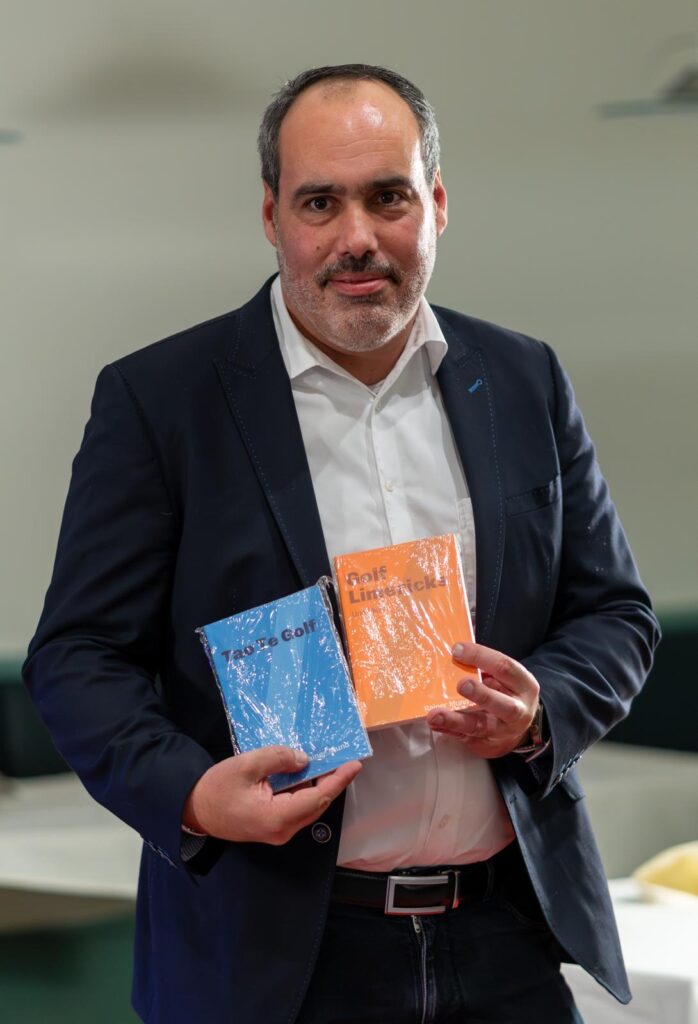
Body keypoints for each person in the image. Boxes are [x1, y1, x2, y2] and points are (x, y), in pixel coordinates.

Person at [24, 64, 659, 1023]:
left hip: (509, 943)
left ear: (436, 205)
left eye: (387, 197)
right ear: (271, 215)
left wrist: (540, 712)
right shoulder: (162, 401)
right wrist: (194, 795)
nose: (356, 237)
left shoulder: (523, 378)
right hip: (274, 957)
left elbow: (615, 612)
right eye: (320, 202)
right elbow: (77, 657)